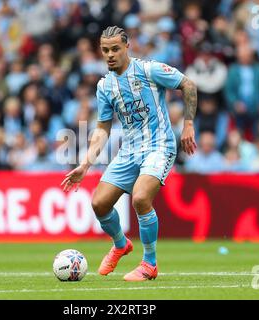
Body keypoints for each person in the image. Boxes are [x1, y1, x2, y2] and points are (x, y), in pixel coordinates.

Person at [61, 26, 197, 281]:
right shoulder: (105, 86)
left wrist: (188, 125)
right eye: (105, 50)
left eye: (115, 49)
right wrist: (85, 164)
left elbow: (188, 85)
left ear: (126, 47)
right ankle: (121, 244)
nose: (110, 54)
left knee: (141, 198)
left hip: (159, 146)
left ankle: (150, 263)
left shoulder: (149, 70)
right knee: (99, 204)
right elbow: (103, 127)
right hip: (129, 151)